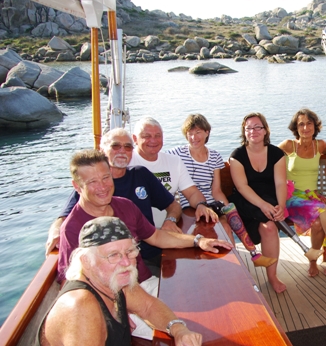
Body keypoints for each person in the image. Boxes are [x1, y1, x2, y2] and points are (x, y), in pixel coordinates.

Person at [34, 216, 203, 346]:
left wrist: (178, 329)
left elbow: (148, 306)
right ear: (86, 261)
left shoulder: (113, 280)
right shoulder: (80, 308)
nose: (126, 262)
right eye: (113, 255)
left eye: (130, 252)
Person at [57, 149, 232, 282]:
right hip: (113, 298)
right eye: (93, 182)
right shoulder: (73, 228)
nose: (102, 187)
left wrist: (198, 241)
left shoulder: (125, 206)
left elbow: (156, 236)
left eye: (105, 178)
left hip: (143, 283)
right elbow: (71, 281)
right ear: (77, 187)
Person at [45, 128, 182, 275]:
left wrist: (171, 220)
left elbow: (172, 205)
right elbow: (66, 218)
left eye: (128, 147)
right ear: (102, 149)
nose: (122, 151)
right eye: (116, 146)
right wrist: (54, 231)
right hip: (122, 264)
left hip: (154, 251)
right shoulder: (92, 189)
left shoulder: (140, 174)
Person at [167, 113, 276, 267]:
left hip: (213, 204)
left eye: (198, 132)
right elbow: (158, 161)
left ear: (207, 132)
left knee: (231, 220)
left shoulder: (214, 157)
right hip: (190, 207)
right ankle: (236, 265)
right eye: (189, 133)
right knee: (222, 226)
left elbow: (216, 190)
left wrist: (229, 209)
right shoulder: (176, 154)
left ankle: (250, 257)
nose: (193, 137)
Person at [278, 108, 326, 277]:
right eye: (301, 124)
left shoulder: (321, 146)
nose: (305, 128)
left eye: (309, 123)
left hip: (311, 197)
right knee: (324, 210)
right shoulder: (289, 145)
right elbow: (268, 156)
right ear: (296, 127)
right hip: (292, 196)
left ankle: (312, 260)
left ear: (315, 126)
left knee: (318, 223)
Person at [229, 113, 287, 293]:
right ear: (244, 132)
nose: (253, 131)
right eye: (249, 128)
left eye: (257, 127)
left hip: (269, 200)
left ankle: (272, 276)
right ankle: (255, 253)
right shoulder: (237, 155)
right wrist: (263, 205)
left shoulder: (277, 153)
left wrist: (282, 206)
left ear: (265, 130)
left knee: (270, 227)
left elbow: (280, 183)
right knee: (267, 217)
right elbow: (242, 187)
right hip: (246, 201)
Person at [130, 117, 218, 227]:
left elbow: (192, 193)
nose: (153, 140)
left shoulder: (174, 161)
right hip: (134, 229)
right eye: (146, 136)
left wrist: (201, 205)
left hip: (168, 227)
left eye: (158, 136)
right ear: (135, 139)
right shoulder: (126, 162)